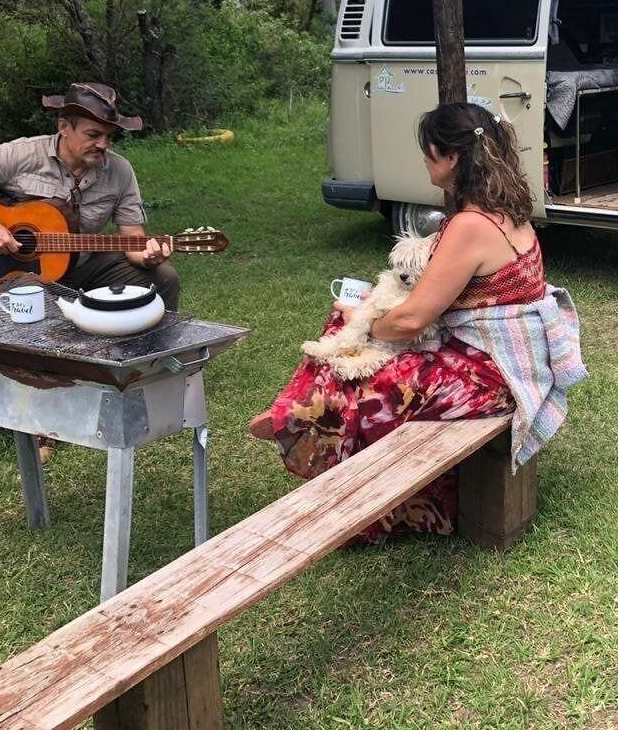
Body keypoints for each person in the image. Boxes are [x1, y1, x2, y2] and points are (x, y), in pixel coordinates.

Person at [249, 102, 586, 542]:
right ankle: (303, 414)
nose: (425, 160)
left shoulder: (470, 224)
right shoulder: (506, 210)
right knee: (353, 329)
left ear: (451, 157)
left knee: (363, 360)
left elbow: (412, 320)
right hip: (509, 362)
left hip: (491, 378)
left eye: (428, 152)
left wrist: (367, 322)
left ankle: (305, 425)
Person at [0, 82, 179, 310]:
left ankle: (151, 359)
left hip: (82, 267)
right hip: (18, 273)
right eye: (93, 135)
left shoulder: (119, 171)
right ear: (64, 127)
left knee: (162, 277)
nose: (103, 145)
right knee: (35, 297)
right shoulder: (20, 155)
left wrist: (146, 256)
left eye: (109, 136)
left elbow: (133, 238)